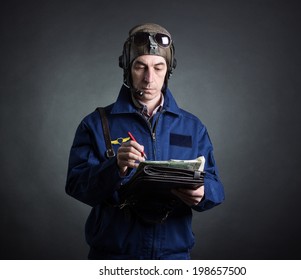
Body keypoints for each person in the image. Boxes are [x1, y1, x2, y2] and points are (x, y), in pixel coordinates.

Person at [65, 23, 225, 260]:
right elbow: (77, 186)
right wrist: (115, 168)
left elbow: (216, 187)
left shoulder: (193, 126)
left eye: (158, 67)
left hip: (173, 259)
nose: (149, 78)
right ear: (127, 69)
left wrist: (203, 192)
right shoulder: (96, 124)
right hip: (114, 258)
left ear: (169, 70)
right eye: (140, 67)